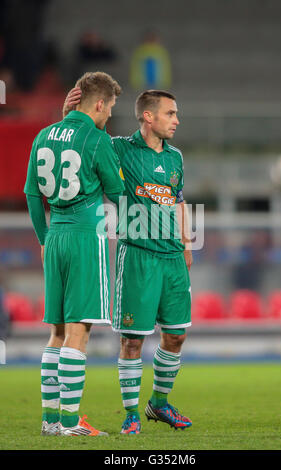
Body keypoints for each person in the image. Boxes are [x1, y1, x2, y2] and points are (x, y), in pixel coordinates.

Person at [64, 87, 193, 435]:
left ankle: (159, 404)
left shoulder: (175, 157)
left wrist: (186, 243)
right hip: (137, 257)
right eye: (170, 114)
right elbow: (82, 138)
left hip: (172, 259)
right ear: (148, 117)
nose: (177, 120)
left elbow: (179, 200)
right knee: (133, 340)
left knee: (177, 336)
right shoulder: (119, 148)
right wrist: (68, 113)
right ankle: (132, 413)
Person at [24, 71, 125, 437]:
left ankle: (50, 420)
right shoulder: (97, 139)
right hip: (85, 237)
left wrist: (42, 238)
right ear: (98, 103)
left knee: (56, 332)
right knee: (78, 331)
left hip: (55, 237)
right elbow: (117, 192)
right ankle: (70, 422)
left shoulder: (43, 134)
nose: (110, 115)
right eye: (109, 107)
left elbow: (33, 195)